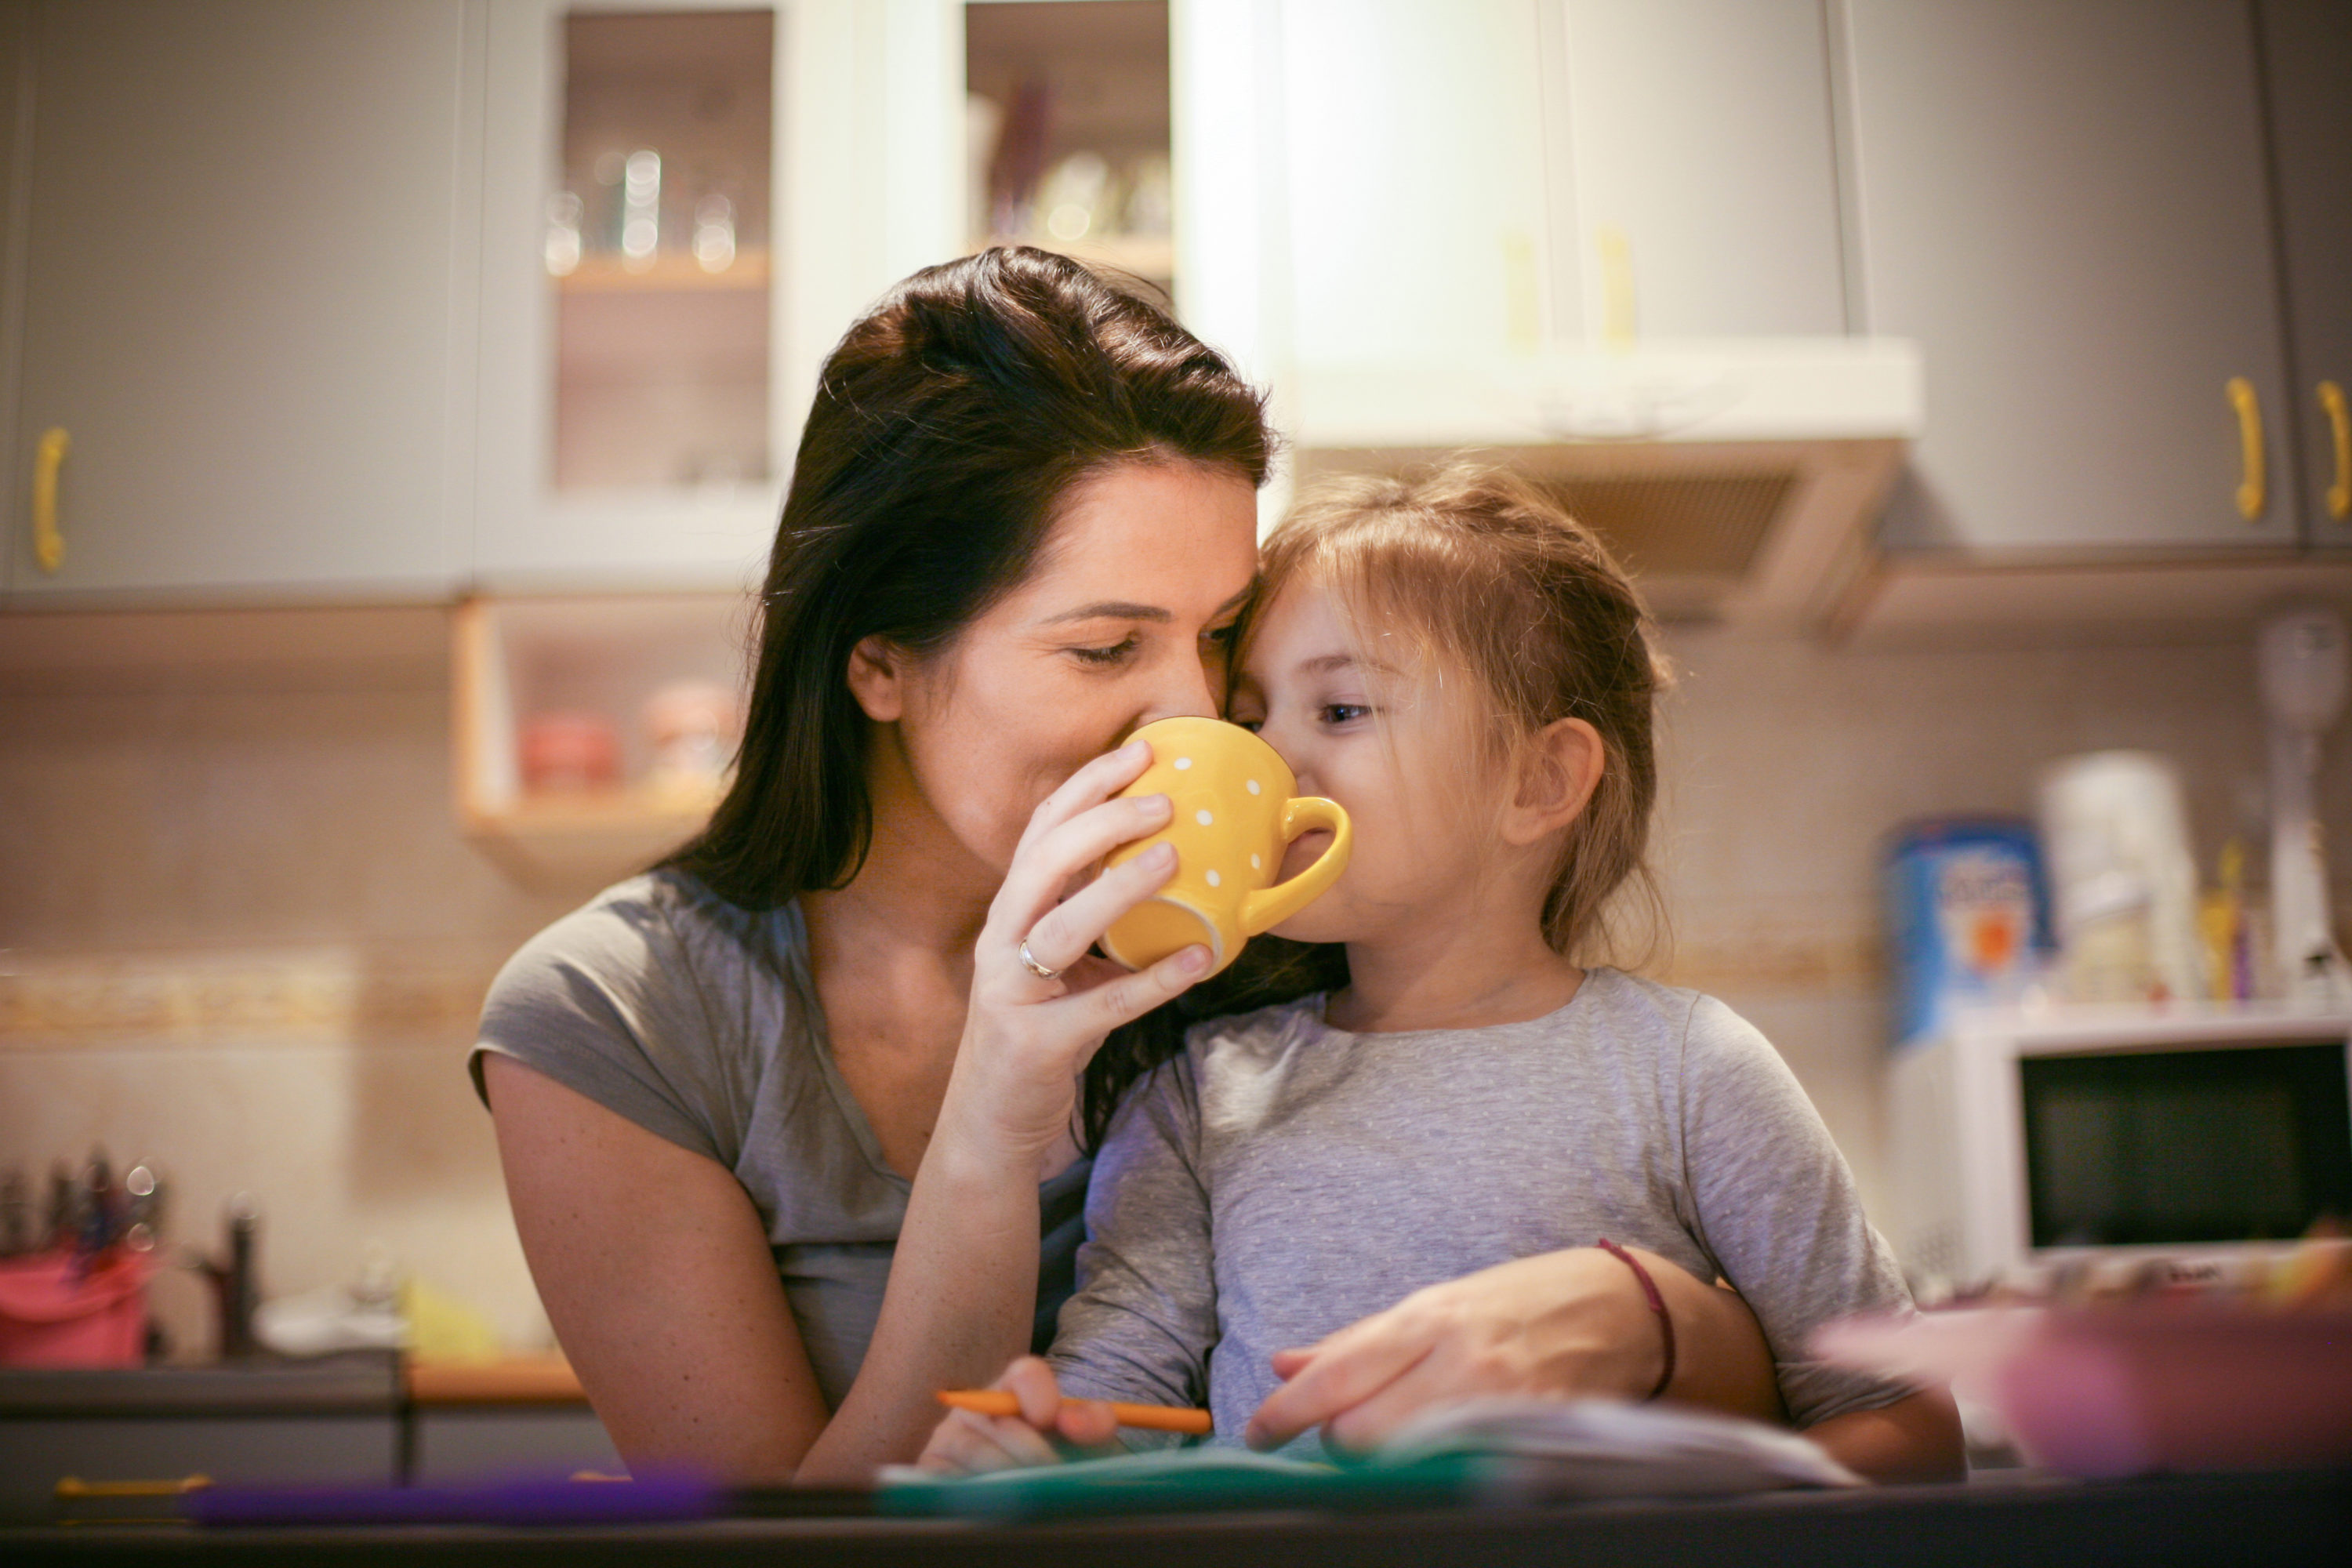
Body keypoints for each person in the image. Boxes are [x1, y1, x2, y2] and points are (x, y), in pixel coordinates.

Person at [472, 250, 1781, 1486]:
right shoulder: (610, 1021)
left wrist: (1650, 1311)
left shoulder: (1278, 927)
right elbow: (781, 1560)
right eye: (1105, 649)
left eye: (1218, 637)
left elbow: (1784, 1372)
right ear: (878, 660)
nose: (1192, 718)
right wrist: (997, 1102)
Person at [919, 466, 1965, 1483]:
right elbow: (1116, 1408)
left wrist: (1711, 1507)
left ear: (1540, 780)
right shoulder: (1197, 1094)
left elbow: (1905, 1428)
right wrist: (1044, 1443)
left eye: (1341, 711)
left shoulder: (1689, 1069)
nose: (1270, 761)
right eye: (1250, 718)